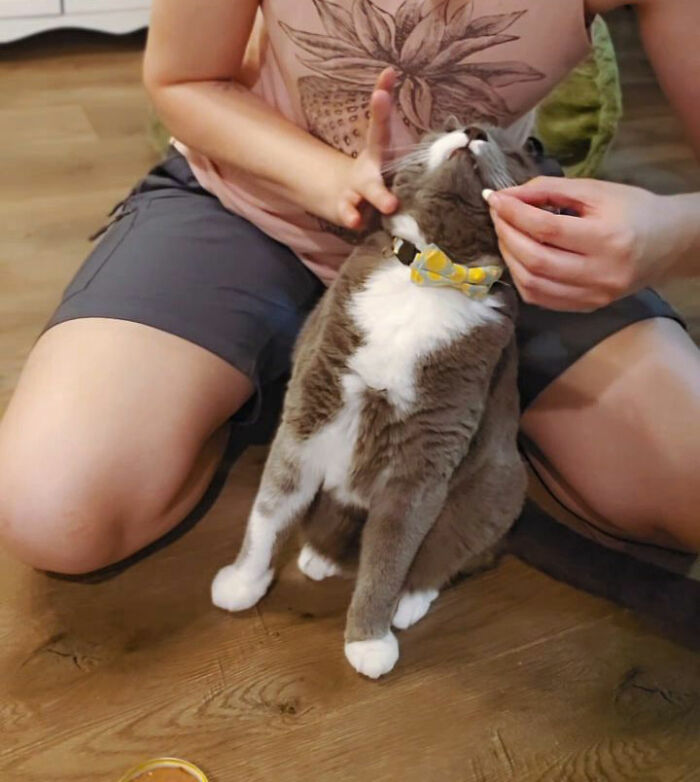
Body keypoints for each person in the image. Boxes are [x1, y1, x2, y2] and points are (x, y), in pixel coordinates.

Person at [0, 0, 698, 577]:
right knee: (53, 509)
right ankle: (301, 372)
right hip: (250, 208)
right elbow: (184, 80)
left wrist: (669, 230)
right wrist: (327, 179)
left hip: (481, 243)